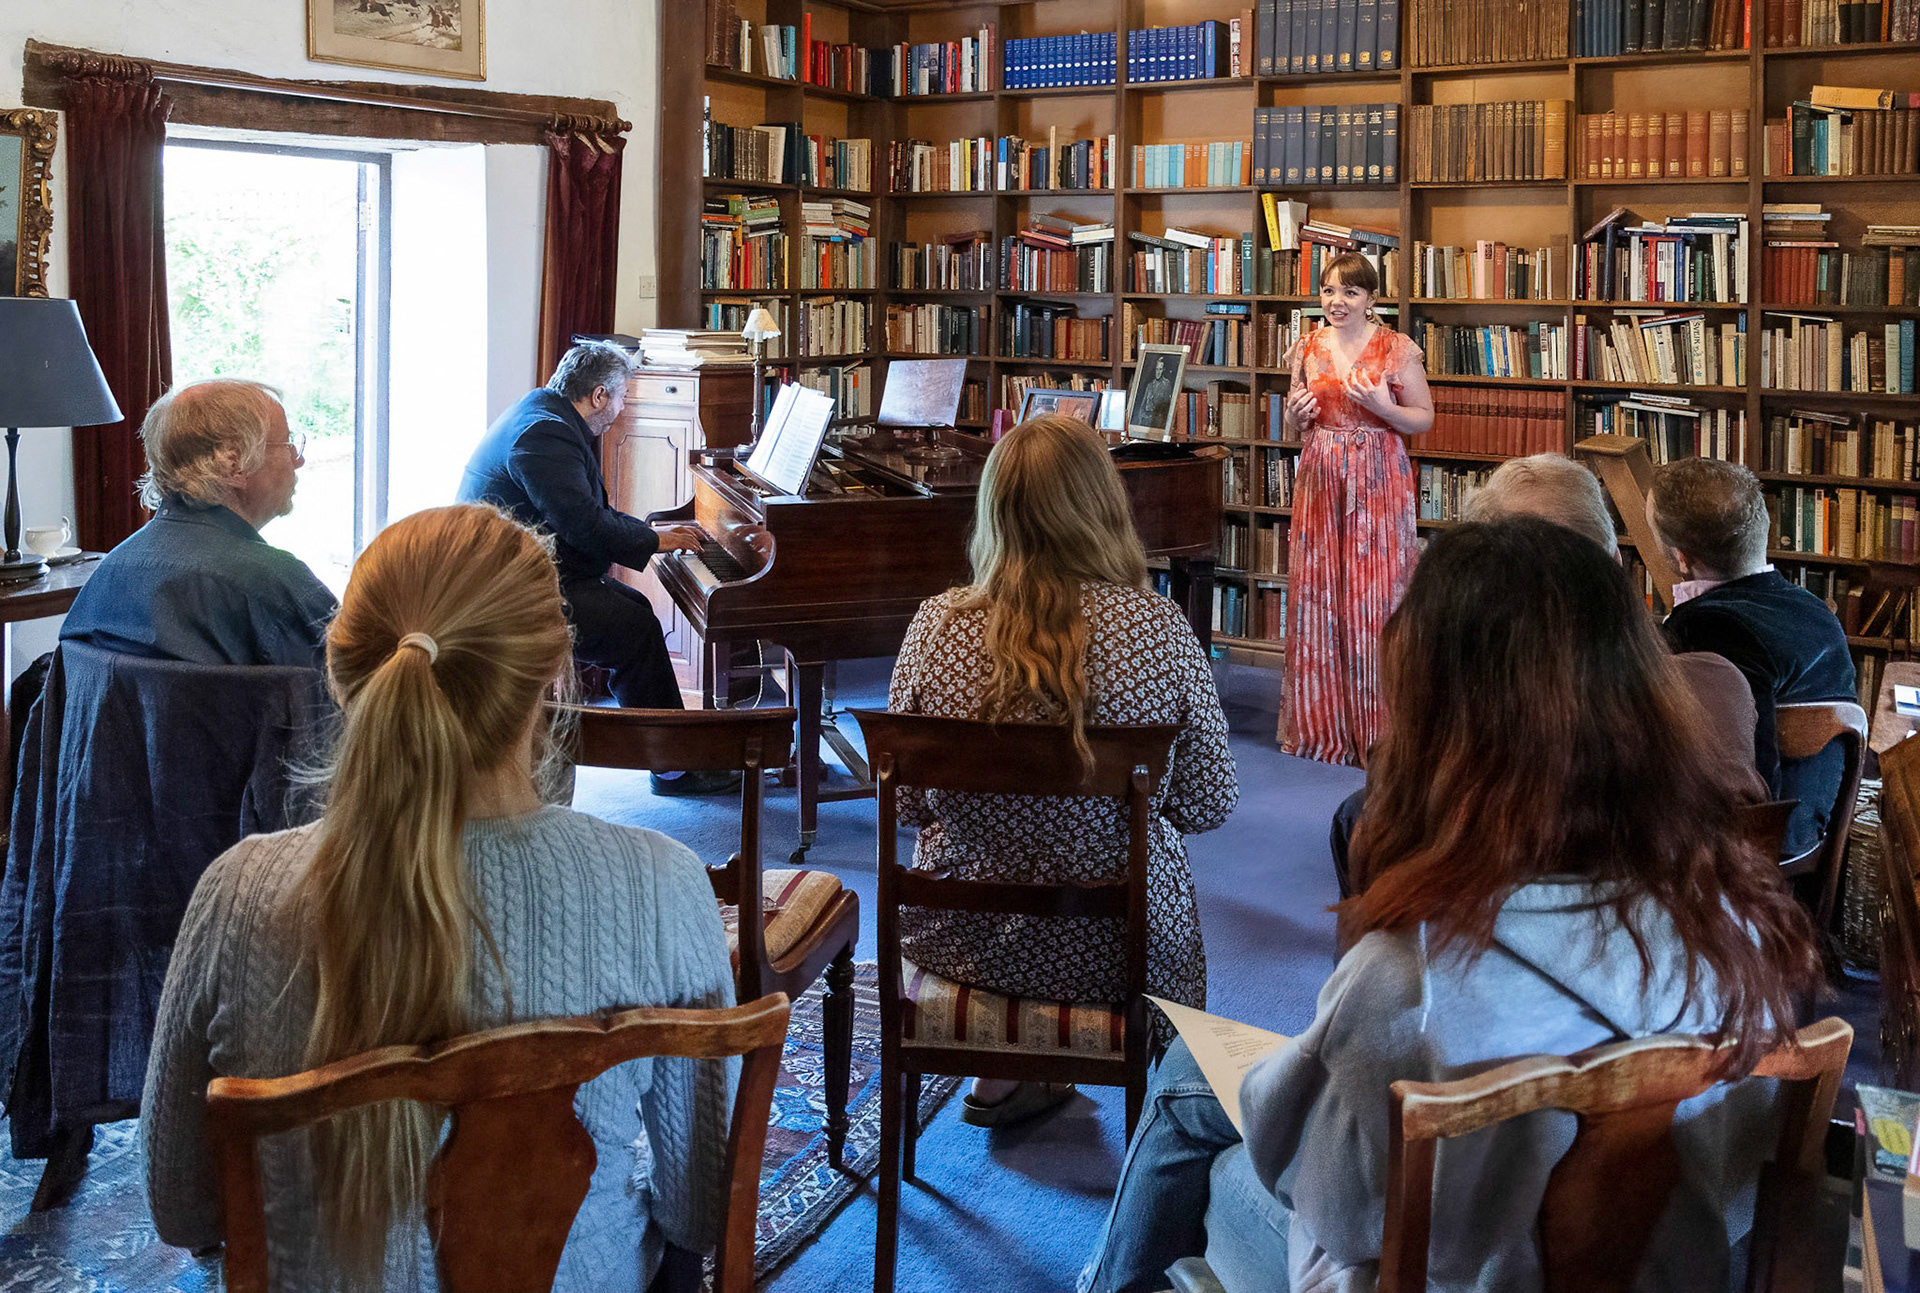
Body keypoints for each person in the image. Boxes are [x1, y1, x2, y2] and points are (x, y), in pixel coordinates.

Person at [1081, 518, 1822, 1293]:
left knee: (1213, 1133)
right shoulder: (1736, 927)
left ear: (1442, 725)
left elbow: (1337, 1213)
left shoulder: (1406, 982)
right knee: (1203, 1083)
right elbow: (1740, 1176)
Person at [141, 504, 738, 1290]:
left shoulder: (236, 893)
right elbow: (702, 1210)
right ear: (556, 667)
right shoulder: (663, 882)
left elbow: (184, 1210)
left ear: (341, 669)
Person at [888, 414, 1237, 1127]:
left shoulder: (935, 625)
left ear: (993, 508)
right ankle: (1155, 1112)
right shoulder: (1158, 626)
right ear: (1102, 507)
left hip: (961, 940)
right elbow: (1207, 803)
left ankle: (1001, 1072)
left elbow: (909, 805)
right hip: (1117, 947)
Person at [1325, 455, 1765, 899]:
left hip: (1500, 938)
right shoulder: (1717, 683)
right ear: (1615, 561)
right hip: (1702, 940)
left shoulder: (1461, 715)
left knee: (1355, 817)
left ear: (1485, 589)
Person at [457, 342, 733, 795]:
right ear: (600, 395)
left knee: (635, 612)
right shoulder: (542, 434)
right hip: (503, 591)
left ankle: (675, 755)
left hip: (530, 572)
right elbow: (582, 524)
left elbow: (587, 512)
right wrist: (655, 539)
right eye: (623, 397)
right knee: (634, 627)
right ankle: (672, 766)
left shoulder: (546, 414)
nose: (623, 409)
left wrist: (650, 532)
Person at [1648, 457, 1856, 858]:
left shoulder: (1704, 629)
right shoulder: (1815, 610)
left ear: (1682, 558)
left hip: (1749, 853)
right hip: (1813, 831)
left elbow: (1735, 779)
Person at [59, 378, 336, 668]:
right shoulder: (271, 583)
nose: (298, 460)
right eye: (287, 444)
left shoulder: (108, 574)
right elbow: (367, 690)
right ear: (235, 465)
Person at [1279, 252, 1434, 765]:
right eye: (1328, 291)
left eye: (1349, 292)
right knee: (1320, 594)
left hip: (1378, 477)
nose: (1336, 302)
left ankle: (1380, 732)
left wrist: (1385, 409)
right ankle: (1322, 727)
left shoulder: (1395, 348)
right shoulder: (1306, 345)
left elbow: (1422, 419)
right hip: (1321, 474)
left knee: (1377, 595)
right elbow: (1293, 421)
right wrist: (1295, 417)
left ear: (1371, 299)